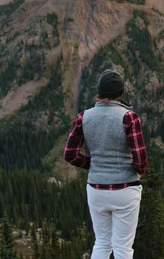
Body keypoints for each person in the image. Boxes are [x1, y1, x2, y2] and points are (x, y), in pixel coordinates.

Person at [64, 69, 147, 259]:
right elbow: (140, 159)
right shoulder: (129, 117)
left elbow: (70, 154)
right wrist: (137, 171)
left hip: (96, 188)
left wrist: (92, 164)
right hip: (125, 188)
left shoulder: (83, 117)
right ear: (121, 92)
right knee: (123, 248)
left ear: (99, 91)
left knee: (101, 242)